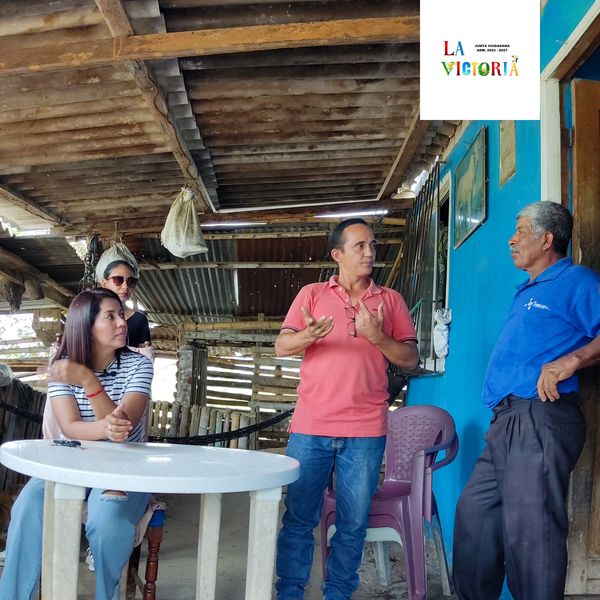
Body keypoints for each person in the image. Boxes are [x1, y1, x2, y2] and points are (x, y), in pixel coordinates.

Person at [452, 201, 600, 600]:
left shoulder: (576, 280)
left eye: (520, 231)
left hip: (541, 418)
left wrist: (574, 360)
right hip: (507, 421)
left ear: (546, 239)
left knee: (532, 534)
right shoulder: (530, 290)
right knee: (475, 517)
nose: (511, 240)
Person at [274, 218, 419, 600]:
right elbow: (282, 346)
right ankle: (289, 593)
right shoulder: (312, 294)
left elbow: (409, 358)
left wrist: (378, 337)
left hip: (366, 431)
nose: (370, 252)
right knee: (299, 519)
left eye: (373, 245)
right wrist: (308, 336)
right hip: (311, 427)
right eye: (360, 246)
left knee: (353, 524)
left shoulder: (391, 300)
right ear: (337, 254)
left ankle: (337, 594)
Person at [0, 289, 154, 600]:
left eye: (120, 315)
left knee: (108, 519)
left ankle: (106, 595)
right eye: (110, 316)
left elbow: (125, 428)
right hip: (71, 462)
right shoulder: (62, 366)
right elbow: (70, 427)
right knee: (28, 505)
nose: (122, 322)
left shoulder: (139, 365)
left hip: (125, 467)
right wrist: (108, 427)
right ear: (86, 325)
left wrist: (88, 380)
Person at [96, 252, 151, 349]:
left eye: (131, 281)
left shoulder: (139, 319)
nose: (125, 287)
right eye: (118, 280)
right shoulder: (91, 315)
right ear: (104, 284)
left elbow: (144, 354)